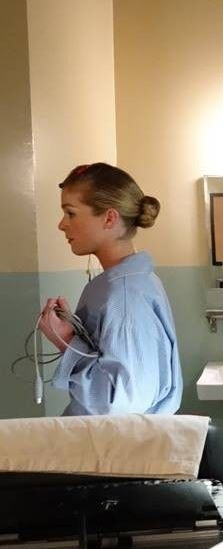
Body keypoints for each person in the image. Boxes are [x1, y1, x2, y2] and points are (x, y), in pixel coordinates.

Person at [38, 163, 183, 416]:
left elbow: (119, 405)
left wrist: (67, 343)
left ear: (109, 218)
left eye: (71, 213)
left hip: (118, 440)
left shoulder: (125, 296)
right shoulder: (123, 284)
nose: (62, 224)